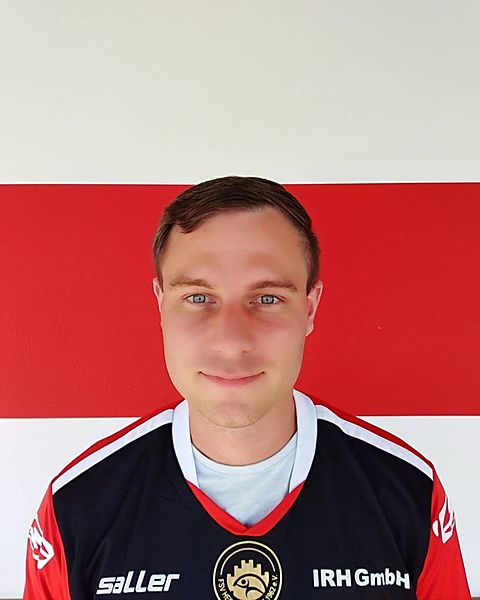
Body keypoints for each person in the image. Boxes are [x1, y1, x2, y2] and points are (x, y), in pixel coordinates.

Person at [23, 176, 471, 599]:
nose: (232, 340)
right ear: (160, 304)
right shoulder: (77, 505)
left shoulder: (408, 491)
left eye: (267, 298)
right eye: (198, 298)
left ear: (310, 308)